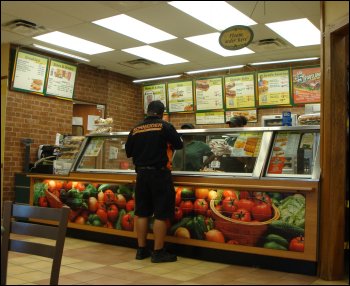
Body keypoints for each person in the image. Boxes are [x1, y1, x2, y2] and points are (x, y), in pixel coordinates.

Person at [125, 100, 183, 263]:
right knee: (161, 213)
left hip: (141, 174)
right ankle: (158, 252)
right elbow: (179, 145)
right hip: (160, 174)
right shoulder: (165, 126)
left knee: (142, 212)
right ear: (162, 112)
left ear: (148, 112)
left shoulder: (135, 128)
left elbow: (128, 152)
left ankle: (141, 250)